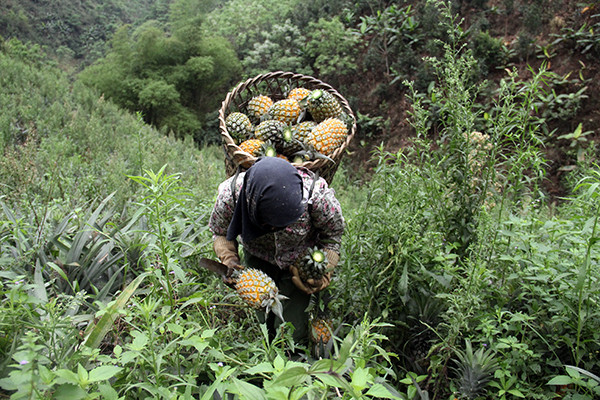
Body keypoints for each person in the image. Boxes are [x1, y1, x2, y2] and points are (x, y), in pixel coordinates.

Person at [209, 157, 344, 345]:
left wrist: (326, 267)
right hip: (257, 255)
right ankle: (265, 353)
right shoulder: (230, 195)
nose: (275, 229)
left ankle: (291, 357)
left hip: (299, 260)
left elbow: (333, 235)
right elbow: (219, 231)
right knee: (262, 321)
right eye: (268, 224)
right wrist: (229, 259)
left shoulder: (317, 196)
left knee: (292, 328)